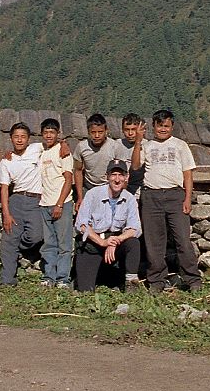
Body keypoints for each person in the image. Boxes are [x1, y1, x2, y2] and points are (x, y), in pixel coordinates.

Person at [140, 109, 201, 293]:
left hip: (175, 196)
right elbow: (135, 165)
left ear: (172, 126)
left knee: (182, 239)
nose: (163, 129)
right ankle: (156, 281)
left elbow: (188, 174)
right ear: (153, 127)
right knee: (154, 241)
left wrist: (187, 198)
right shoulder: (147, 146)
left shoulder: (180, 145)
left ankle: (192, 279)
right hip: (151, 196)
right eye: (159, 126)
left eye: (166, 126)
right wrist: (137, 143)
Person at [74, 159, 142, 291]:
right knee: (85, 290)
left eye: (121, 175)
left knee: (133, 243)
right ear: (107, 177)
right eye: (113, 175)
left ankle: (131, 283)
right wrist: (103, 242)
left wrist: (116, 241)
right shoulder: (93, 194)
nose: (117, 179)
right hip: (93, 242)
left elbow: (135, 228)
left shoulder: (129, 198)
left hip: (116, 240)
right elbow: (81, 224)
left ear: (126, 177)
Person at [0, 122, 44, 287]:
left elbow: (55, 141)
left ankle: (21, 247)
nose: (20, 140)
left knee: (37, 234)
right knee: (9, 239)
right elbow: (4, 188)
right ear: (11, 139)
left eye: (23, 137)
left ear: (28, 139)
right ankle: (7, 280)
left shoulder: (37, 149)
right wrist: (6, 213)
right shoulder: (6, 161)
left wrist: (64, 145)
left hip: (36, 199)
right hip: (16, 200)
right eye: (16, 137)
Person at [37, 118, 76, 288]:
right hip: (44, 203)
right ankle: (48, 277)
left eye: (52, 132)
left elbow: (68, 179)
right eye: (45, 133)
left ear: (58, 134)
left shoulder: (64, 152)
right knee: (49, 243)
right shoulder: (40, 151)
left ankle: (63, 278)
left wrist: (59, 204)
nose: (48, 135)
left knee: (64, 243)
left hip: (62, 202)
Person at [73, 113, 132, 201]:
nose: (97, 136)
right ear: (88, 132)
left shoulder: (115, 147)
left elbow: (123, 172)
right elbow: (77, 171)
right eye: (93, 132)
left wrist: (120, 192)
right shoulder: (82, 147)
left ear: (106, 131)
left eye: (100, 132)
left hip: (109, 187)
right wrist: (80, 197)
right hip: (89, 188)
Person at [119, 112, 146, 193]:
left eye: (134, 129)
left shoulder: (147, 146)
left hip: (139, 191)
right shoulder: (116, 145)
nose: (130, 133)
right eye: (127, 130)